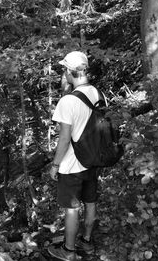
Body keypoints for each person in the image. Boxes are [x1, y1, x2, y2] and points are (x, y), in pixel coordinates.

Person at [47, 51, 100, 260]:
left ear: (70, 71)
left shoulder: (68, 101)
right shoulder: (97, 93)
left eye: (64, 70)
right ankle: (86, 242)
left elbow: (65, 138)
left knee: (71, 209)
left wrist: (55, 164)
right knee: (90, 202)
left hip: (72, 164)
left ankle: (68, 251)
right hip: (93, 161)